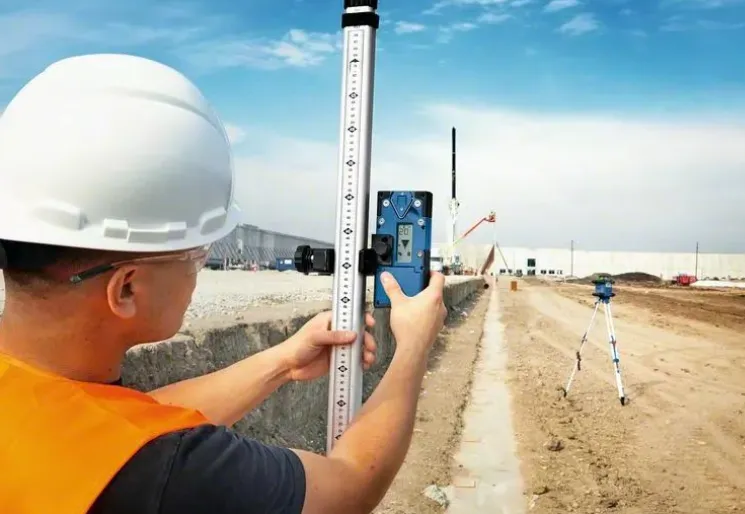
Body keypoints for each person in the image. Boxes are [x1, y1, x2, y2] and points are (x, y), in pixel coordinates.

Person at [0, 53, 448, 514]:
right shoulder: (167, 474)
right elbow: (349, 488)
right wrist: (414, 345)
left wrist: (283, 361)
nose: (201, 265)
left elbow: (116, 420)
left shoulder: (42, 406)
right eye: (196, 253)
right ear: (127, 289)